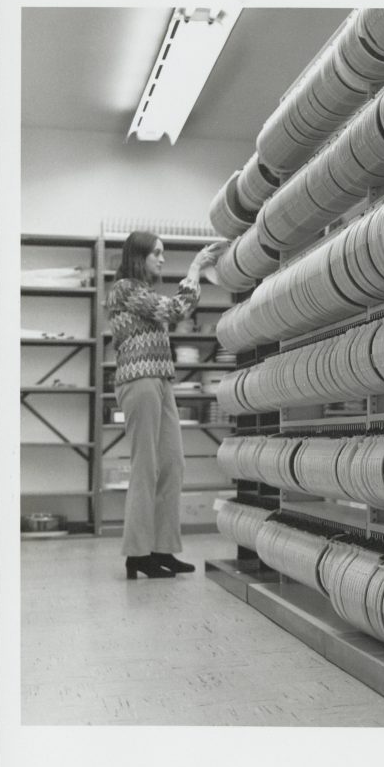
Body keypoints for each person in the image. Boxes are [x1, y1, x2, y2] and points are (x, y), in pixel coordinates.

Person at [106, 231, 223, 579]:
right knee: (147, 467)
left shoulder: (142, 292)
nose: (161, 259)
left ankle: (161, 548)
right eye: (156, 253)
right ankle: (137, 555)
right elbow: (176, 309)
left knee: (173, 463)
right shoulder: (125, 288)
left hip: (160, 380)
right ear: (138, 257)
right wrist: (195, 268)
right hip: (139, 380)